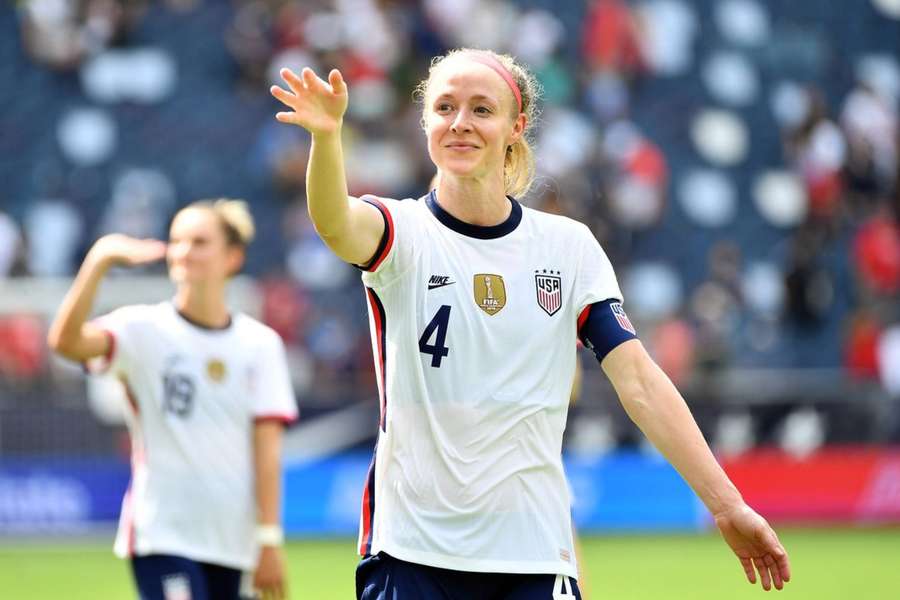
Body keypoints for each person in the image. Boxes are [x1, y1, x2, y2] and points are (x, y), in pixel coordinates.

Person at [271, 48, 791, 599]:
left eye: (480, 109)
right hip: (412, 550)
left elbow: (638, 381)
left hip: (534, 554)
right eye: (444, 107)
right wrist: (327, 139)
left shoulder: (568, 248)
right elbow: (334, 223)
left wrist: (726, 503)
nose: (460, 123)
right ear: (424, 121)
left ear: (516, 127)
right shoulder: (401, 231)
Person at [47, 200, 297, 600]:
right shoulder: (140, 328)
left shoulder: (260, 344)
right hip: (163, 532)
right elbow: (66, 342)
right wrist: (99, 261)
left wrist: (268, 538)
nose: (183, 251)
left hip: (232, 540)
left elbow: (267, 452)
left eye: (199, 242)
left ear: (233, 257)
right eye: (177, 240)